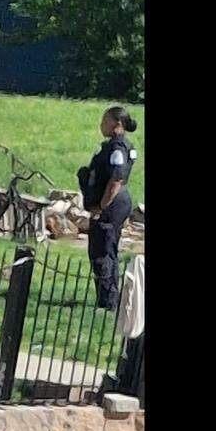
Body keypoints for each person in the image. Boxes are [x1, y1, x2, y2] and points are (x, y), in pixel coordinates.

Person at [78, 106, 138, 310]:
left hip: (112, 203)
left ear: (117, 124)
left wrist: (102, 206)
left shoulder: (117, 148)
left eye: (105, 120)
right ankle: (105, 298)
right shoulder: (113, 146)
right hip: (113, 202)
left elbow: (116, 179)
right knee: (101, 248)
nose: (101, 124)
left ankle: (109, 302)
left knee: (103, 250)